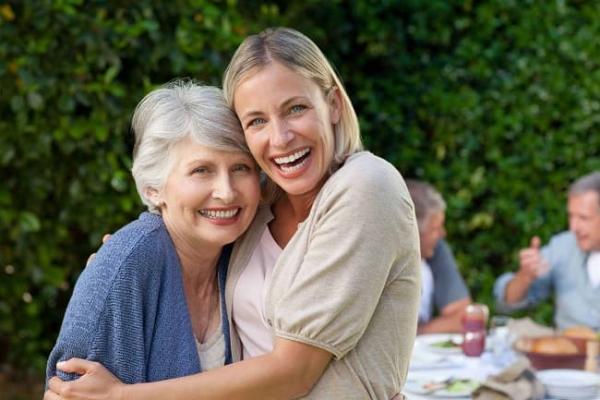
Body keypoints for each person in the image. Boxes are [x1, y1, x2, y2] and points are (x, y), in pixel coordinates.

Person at [46, 27, 420, 400]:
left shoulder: (367, 185)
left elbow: (294, 372)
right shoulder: (260, 209)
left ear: (334, 104)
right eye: (257, 120)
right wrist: (124, 261)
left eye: (296, 109)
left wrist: (125, 397)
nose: (280, 137)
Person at [45, 82, 261, 384]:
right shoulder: (125, 268)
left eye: (241, 168)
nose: (226, 192)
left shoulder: (247, 251)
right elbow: (65, 390)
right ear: (153, 187)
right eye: (202, 170)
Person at [494, 171, 600, 330]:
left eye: (583, 218)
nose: (574, 227)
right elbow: (509, 302)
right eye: (571, 216)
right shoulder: (564, 246)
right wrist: (525, 276)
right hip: (566, 352)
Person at [406, 180, 471, 334]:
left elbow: (463, 317)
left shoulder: (434, 249)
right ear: (413, 232)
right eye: (435, 229)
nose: (443, 234)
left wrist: (414, 334)